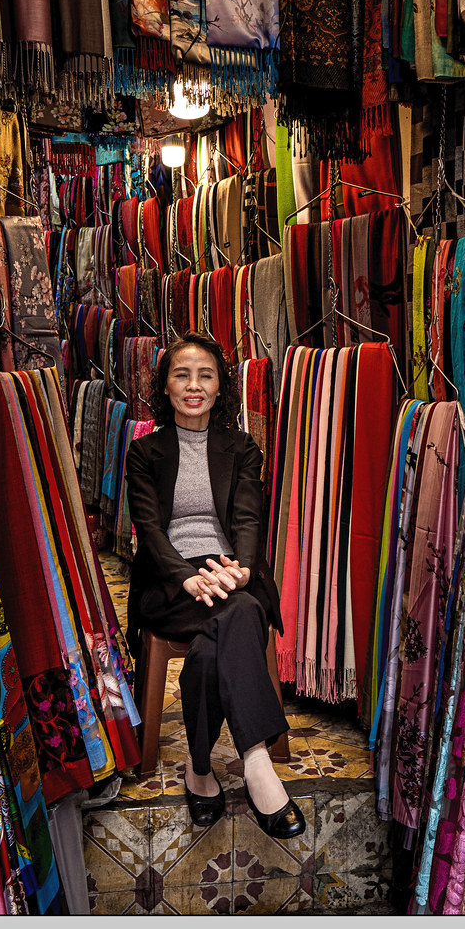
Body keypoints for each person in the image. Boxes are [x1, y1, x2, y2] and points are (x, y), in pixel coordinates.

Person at [125, 330, 305, 839]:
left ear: (220, 384)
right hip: (170, 579)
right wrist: (187, 579)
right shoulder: (144, 453)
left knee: (224, 628)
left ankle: (201, 769)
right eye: (181, 374)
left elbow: (249, 517)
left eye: (205, 374)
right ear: (165, 386)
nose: (193, 385)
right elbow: (150, 531)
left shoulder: (242, 447)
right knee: (241, 615)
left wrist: (242, 569)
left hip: (231, 570)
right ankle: (257, 762)